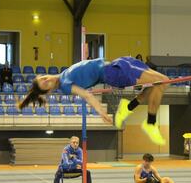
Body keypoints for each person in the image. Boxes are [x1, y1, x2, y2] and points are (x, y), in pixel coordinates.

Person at [18, 57, 169, 145]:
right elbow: (87, 95)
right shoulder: (65, 85)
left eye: (43, 77)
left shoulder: (64, 73)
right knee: (161, 82)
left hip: (117, 63)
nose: (47, 79)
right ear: (49, 90)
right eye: (45, 84)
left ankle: (128, 107)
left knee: (163, 82)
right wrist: (101, 112)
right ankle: (150, 122)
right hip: (113, 73)